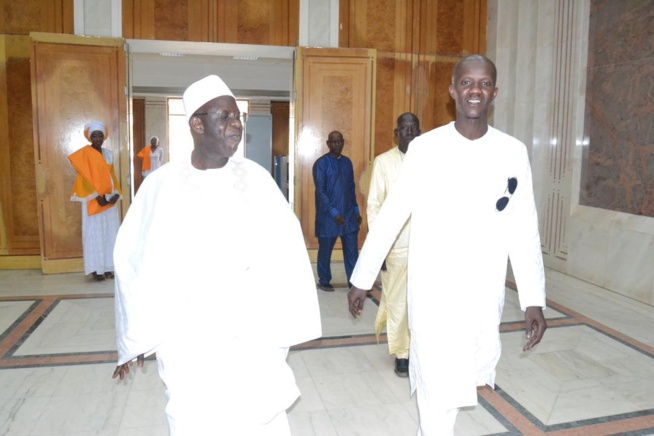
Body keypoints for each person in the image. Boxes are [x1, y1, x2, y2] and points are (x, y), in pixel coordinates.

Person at [347, 55, 547, 435]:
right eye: (467, 82)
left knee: (463, 378)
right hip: (434, 291)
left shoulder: (512, 152)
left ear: (494, 92)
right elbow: (391, 215)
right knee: (436, 381)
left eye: (484, 83)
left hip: (482, 292)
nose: (476, 90)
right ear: (453, 90)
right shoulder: (426, 148)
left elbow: (524, 228)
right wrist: (363, 277)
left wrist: (533, 300)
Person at [112, 75, 322, 435]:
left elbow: (288, 251)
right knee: (197, 420)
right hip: (189, 339)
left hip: (251, 333)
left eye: (237, 116)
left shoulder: (257, 180)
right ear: (196, 123)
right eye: (224, 117)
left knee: (259, 419)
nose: (236, 124)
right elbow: (133, 260)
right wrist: (133, 337)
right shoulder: (160, 186)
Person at [367, 112, 421, 377]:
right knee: (399, 301)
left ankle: (420, 348)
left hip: (427, 247)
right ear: (396, 132)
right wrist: (381, 249)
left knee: (422, 301)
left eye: (414, 127)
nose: (409, 131)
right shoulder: (383, 162)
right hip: (396, 247)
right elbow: (374, 206)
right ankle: (402, 352)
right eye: (404, 127)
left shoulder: (430, 161)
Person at [68, 121, 122, 282]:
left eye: (100, 135)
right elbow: (83, 179)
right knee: (94, 234)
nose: (98, 138)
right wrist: (97, 197)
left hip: (109, 199)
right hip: (93, 199)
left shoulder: (109, 154)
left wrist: (116, 194)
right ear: (89, 137)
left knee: (110, 232)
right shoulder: (84, 154)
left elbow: (112, 176)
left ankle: (108, 267)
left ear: (104, 136)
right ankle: (96, 270)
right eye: (94, 135)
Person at [313, 131, 362, 291]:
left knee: (352, 252)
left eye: (339, 142)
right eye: (333, 142)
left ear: (343, 142)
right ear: (328, 144)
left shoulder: (347, 162)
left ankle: (354, 283)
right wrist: (334, 213)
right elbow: (321, 192)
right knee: (325, 251)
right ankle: (324, 280)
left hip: (348, 215)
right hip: (328, 217)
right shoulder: (321, 164)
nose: (336, 145)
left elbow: (351, 187)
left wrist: (356, 210)